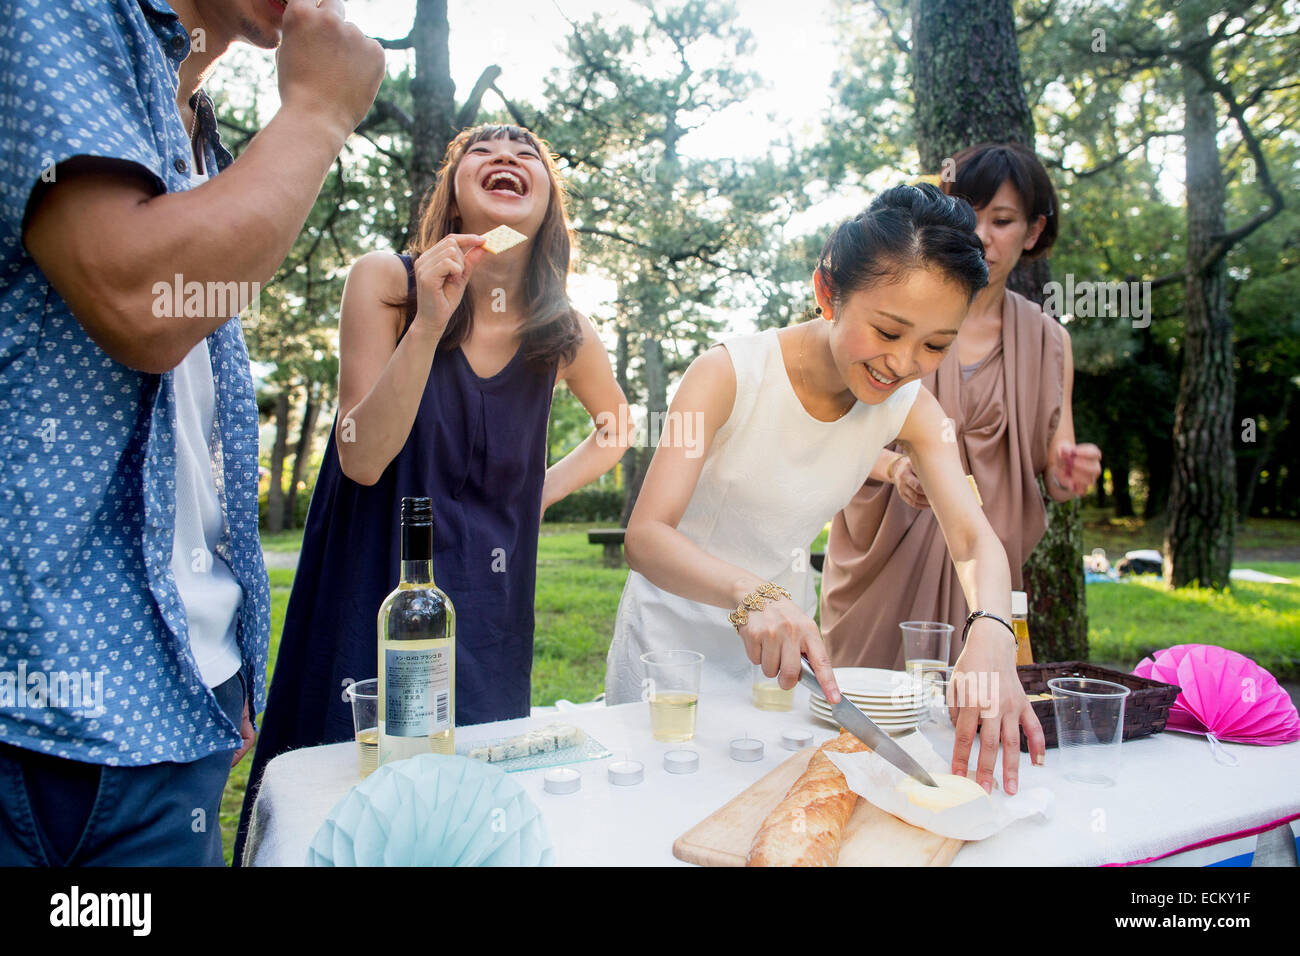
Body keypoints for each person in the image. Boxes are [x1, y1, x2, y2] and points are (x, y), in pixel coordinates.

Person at [0, 0, 384, 866]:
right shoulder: (54, 14)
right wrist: (319, 113)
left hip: (177, 707)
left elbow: (187, 424)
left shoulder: (195, 129)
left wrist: (223, 655)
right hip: (49, 721)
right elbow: (140, 302)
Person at [235, 123, 630, 860]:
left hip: (485, 597)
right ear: (450, 190)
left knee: (463, 804)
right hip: (372, 574)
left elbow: (616, 428)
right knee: (345, 794)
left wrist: (530, 501)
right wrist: (429, 321)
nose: (506, 154)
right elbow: (363, 457)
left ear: (550, 206)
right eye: (483, 147)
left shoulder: (562, 328)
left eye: (528, 151)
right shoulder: (383, 281)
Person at [608, 183, 1046, 794]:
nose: (902, 363)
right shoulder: (727, 373)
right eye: (888, 331)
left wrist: (993, 629)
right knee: (658, 806)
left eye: (935, 346)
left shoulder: (912, 409)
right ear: (827, 292)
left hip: (785, 654)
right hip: (671, 645)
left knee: (765, 804)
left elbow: (974, 538)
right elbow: (646, 538)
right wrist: (750, 594)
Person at [820, 143, 1103, 673]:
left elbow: (1054, 473)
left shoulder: (1049, 342)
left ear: (1033, 231)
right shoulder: (888, 310)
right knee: (859, 729)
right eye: (969, 214)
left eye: (1003, 220)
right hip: (883, 560)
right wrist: (898, 470)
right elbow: (832, 433)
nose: (983, 235)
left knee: (972, 729)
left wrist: (1070, 471)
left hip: (985, 572)